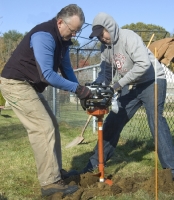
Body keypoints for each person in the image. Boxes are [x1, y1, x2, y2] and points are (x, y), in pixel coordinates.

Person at [0, 4, 92, 197]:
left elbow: (67, 70)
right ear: (60, 22)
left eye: (77, 31)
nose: (74, 35)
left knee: (52, 126)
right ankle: (50, 183)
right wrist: (78, 88)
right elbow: (48, 75)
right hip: (15, 83)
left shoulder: (64, 41)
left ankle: (56, 173)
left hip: (28, 85)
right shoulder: (44, 35)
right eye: (73, 30)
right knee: (43, 128)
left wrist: (80, 93)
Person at [78, 12, 174, 178]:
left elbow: (143, 65)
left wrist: (117, 85)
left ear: (110, 27)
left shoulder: (129, 37)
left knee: (156, 121)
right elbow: (106, 74)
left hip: (152, 81)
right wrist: (97, 84)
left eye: (103, 34)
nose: (101, 38)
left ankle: (171, 171)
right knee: (113, 122)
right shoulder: (105, 48)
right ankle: (92, 166)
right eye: (98, 36)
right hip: (131, 84)